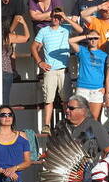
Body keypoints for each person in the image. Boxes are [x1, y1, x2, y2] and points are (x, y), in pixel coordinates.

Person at [31, 7, 82, 135]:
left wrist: (66, 18)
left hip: (64, 69)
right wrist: (39, 62)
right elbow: (34, 47)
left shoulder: (66, 28)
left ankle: (68, 124)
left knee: (67, 100)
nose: (56, 19)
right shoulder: (43, 31)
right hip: (50, 70)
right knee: (48, 99)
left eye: (58, 17)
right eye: (54, 16)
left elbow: (81, 30)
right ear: (50, 17)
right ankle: (47, 125)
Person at [0, 15, 30, 132]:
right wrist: (23, 23)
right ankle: (5, 129)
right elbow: (27, 37)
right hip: (5, 71)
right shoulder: (8, 37)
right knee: (4, 101)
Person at [69, 30, 108, 120]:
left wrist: (105, 87)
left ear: (99, 39)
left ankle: (92, 134)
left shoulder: (104, 55)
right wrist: (87, 36)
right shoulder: (83, 51)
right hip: (83, 88)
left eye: (95, 38)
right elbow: (70, 41)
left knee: (94, 118)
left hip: (97, 89)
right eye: (91, 38)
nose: (93, 40)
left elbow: (107, 72)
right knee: (80, 117)